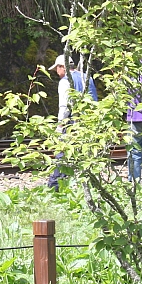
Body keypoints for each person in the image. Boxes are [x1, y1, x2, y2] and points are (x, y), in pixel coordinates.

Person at [46, 53, 98, 189]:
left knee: (63, 154)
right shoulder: (87, 77)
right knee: (86, 156)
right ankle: (88, 186)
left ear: (62, 67)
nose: (57, 73)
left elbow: (65, 105)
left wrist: (60, 125)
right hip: (89, 121)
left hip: (72, 122)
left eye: (57, 69)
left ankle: (55, 186)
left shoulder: (65, 81)